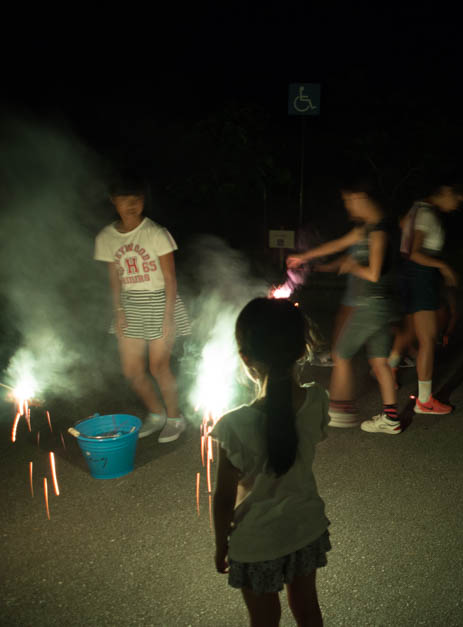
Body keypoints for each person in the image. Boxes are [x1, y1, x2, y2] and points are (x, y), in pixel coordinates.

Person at [212, 298, 330, 627]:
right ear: (302, 349)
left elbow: (223, 498)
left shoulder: (232, 426)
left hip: (256, 542)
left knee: (264, 620)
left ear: (245, 358)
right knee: (307, 610)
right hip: (304, 528)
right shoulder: (317, 399)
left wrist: (221, 543)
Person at [287, 178, 401, 434]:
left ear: (362, 197)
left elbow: (373, 273)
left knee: (341, 354)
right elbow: (337, 245)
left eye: (349, 201)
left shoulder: (380, 232)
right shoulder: (367, 229)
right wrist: (305, 258)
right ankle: (391, 419)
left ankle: (339, 410)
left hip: (370, 304)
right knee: (380, 362)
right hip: (378, 307)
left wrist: (352, 267)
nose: (348, 207)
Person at [93, 176, 191, 443]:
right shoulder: (106, 237)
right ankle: (156, 414)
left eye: (136, 199)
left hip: (160, 300)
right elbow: (114, 277)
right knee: (132, 372)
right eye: (124, 200)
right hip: (130, 304)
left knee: (158, 366)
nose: (131, 205)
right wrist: (118, 310)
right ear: (114, 201)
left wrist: (168, 317)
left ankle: (174, 418)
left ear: (143, 201)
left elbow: (170, 278)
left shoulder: (156, 233)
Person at [389, 184, 463, 415]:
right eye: (457, 199)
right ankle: (424, 400)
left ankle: (390, 368)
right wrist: (443, 266)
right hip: (421, 276)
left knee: (412, 329)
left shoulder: (417, 208)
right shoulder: (428, 215)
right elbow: (415, 252)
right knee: (428, 339)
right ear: (445, 191)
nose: (457, 206)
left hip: (408, 274)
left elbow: (402, 226)